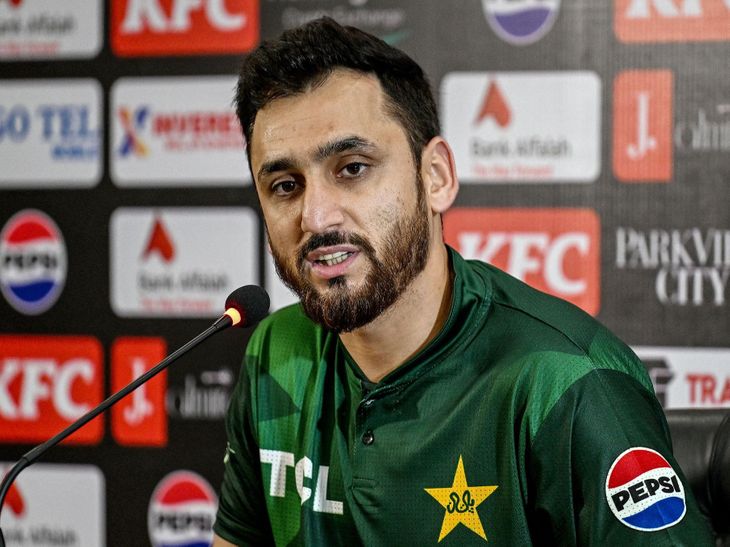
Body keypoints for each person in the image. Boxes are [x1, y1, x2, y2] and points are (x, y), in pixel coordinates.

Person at [213, 17, 714, 546]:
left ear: (436, 177)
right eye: (285, 185)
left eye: (353, 168)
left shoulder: (568, 380)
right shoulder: (276, 350)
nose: (315, 217)